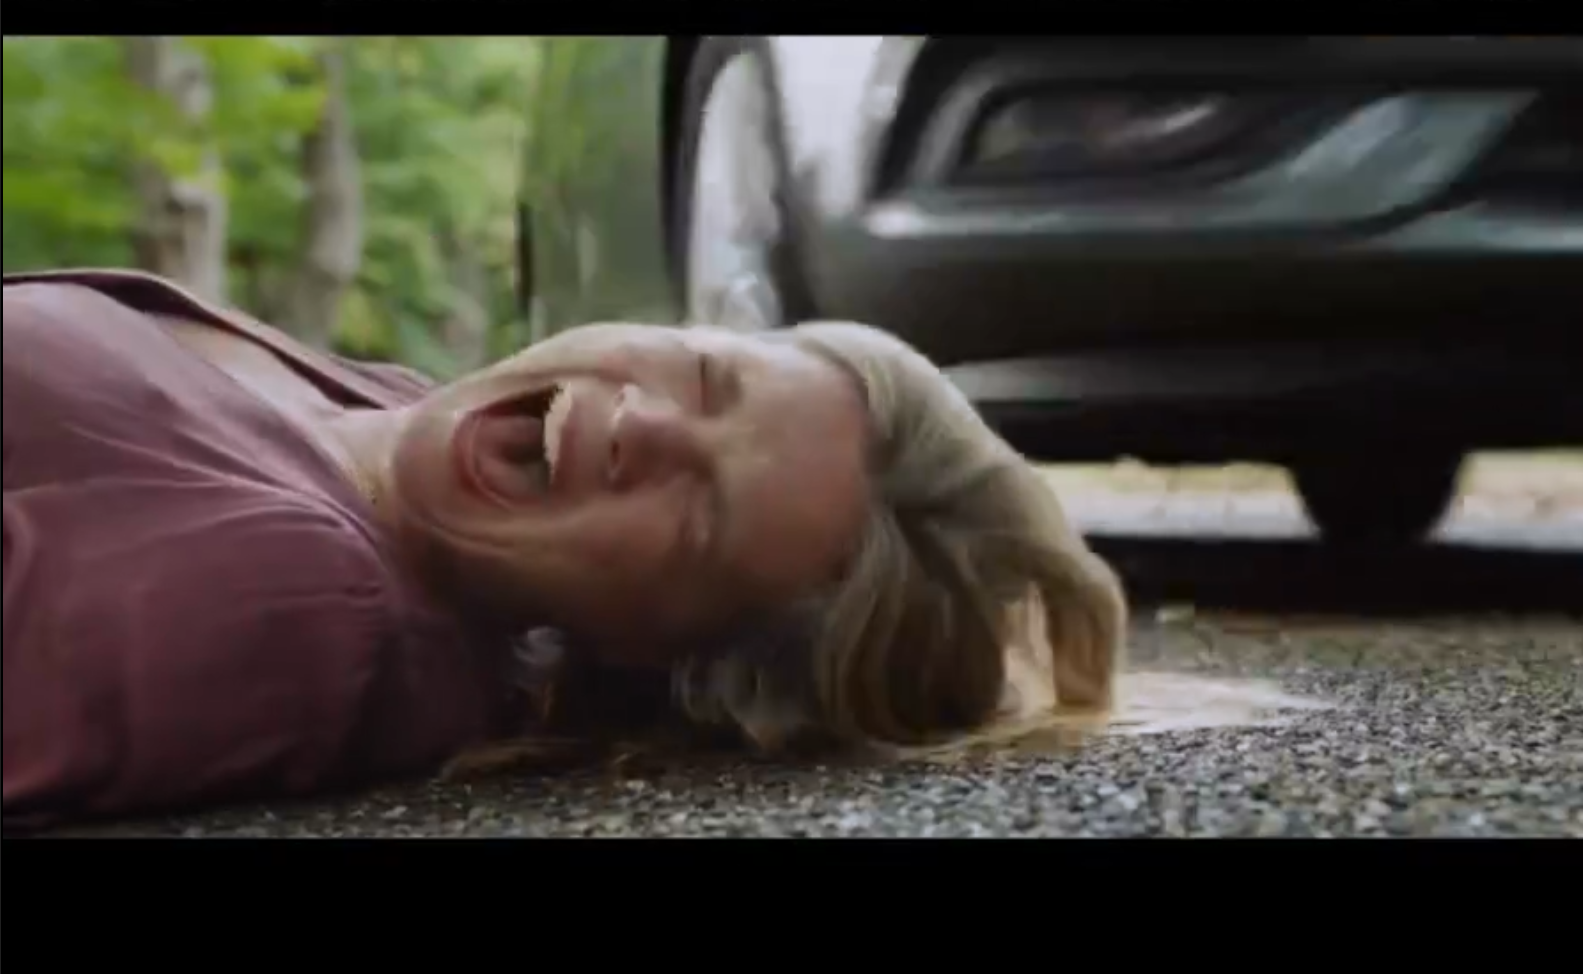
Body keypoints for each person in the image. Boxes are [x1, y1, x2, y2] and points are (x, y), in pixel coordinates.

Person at [2, 269, 1126, 830]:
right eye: (704, 375)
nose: (644, 424)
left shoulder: (295, 604)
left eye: (702, 517)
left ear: (650, 650)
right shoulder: (383, 402)